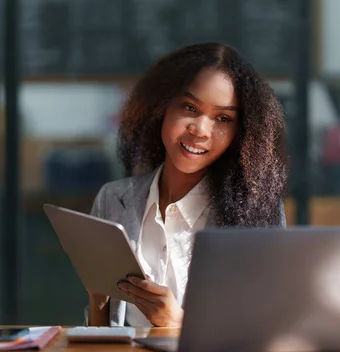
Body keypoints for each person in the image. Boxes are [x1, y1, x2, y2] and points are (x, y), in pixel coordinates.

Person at [87, 42, 288, 327]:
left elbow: (264, 332)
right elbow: (101, 339)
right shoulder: (113, 199)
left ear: (240, 133)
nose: (200, 130)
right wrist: (97, 301)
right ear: (161, 108)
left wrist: (178, 324)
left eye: (222, 118)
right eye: (190, 107)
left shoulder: (258, 211)